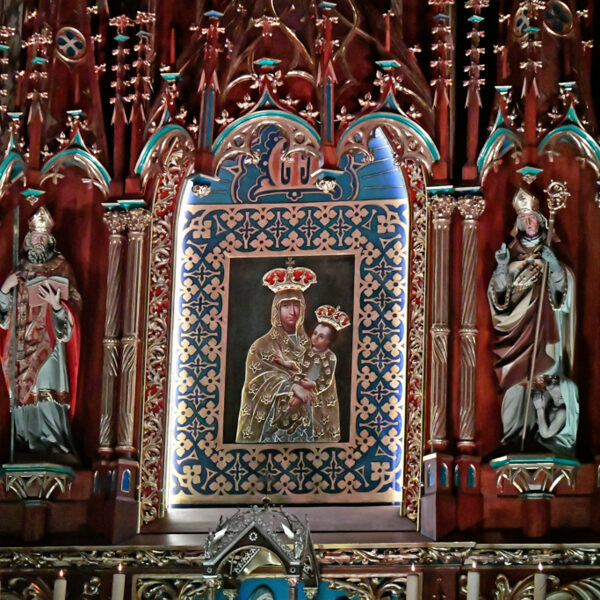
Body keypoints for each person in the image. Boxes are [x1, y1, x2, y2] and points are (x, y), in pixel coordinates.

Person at [488, 187, 578, 455]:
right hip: (516, 334)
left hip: (546, 330)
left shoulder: (550, 255)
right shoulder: (511, 256)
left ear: (541, 221)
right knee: (515, 387)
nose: (529, 223)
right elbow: (499, 297)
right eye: (524, 219)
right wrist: (502, 266)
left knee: (546, 382)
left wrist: (555, 267)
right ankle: (514, 437)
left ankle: (547, 437)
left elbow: (564, 292)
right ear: (518, 224)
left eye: (532, 218)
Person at [0, 206, 81, 460]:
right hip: (20, 343)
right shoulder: (18, 269)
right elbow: (3, 318)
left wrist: (57, 305)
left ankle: (51, 441)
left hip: (49, 342)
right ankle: (25, 442)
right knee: (22, 392)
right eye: (35, 236)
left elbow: (75, 303)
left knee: (46, 387)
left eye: (43, 237)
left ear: (50, 240)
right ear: (27, 239)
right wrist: (5, 290)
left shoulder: (61, 266)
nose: (39, 241)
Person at [266, 305, 350, 442]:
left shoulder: (330, 357)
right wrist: (284, 363)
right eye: (315, 333)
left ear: (329, 341)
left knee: (298, 405)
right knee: (286, 400)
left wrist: (313, 385)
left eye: (321, 336)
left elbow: (326, 379)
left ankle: (293, 424)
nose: (315, 338)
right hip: (302, 382)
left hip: (316, 390)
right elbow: (299, 367)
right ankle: (278, 424)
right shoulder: (308, 351)